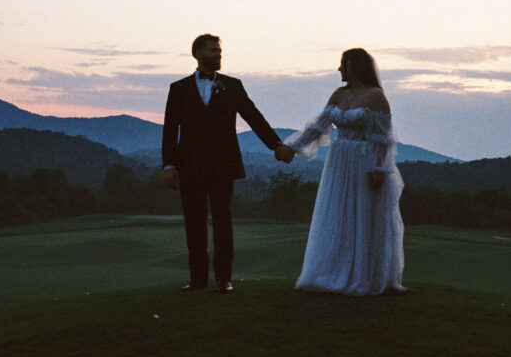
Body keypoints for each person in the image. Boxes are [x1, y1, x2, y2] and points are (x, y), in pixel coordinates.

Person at [162, 34, 295, 293]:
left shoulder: (233, 86)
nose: (218, 55)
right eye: (213, 51)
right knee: (194, 223)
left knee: (223, 221)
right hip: (189, 166)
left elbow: (253, 117)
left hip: (223, 165)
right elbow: (170, 130)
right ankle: (197, 280)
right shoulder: (178, 89)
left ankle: (224, 279)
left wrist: (276, 146)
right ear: (197, 53)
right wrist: (169, 165)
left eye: (219, 51)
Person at [285, 48, 406, 296]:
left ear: (356, 66)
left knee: (364, 215)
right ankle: (332, 271)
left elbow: (384, 139)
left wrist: (380, 169)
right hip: (339, 163)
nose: (339, 68)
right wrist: (290, 147)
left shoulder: (376, 97)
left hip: (365, 162)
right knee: (337, 213)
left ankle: (365, 276)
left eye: (343, 64)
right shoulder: (338, 94)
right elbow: (318, 126)